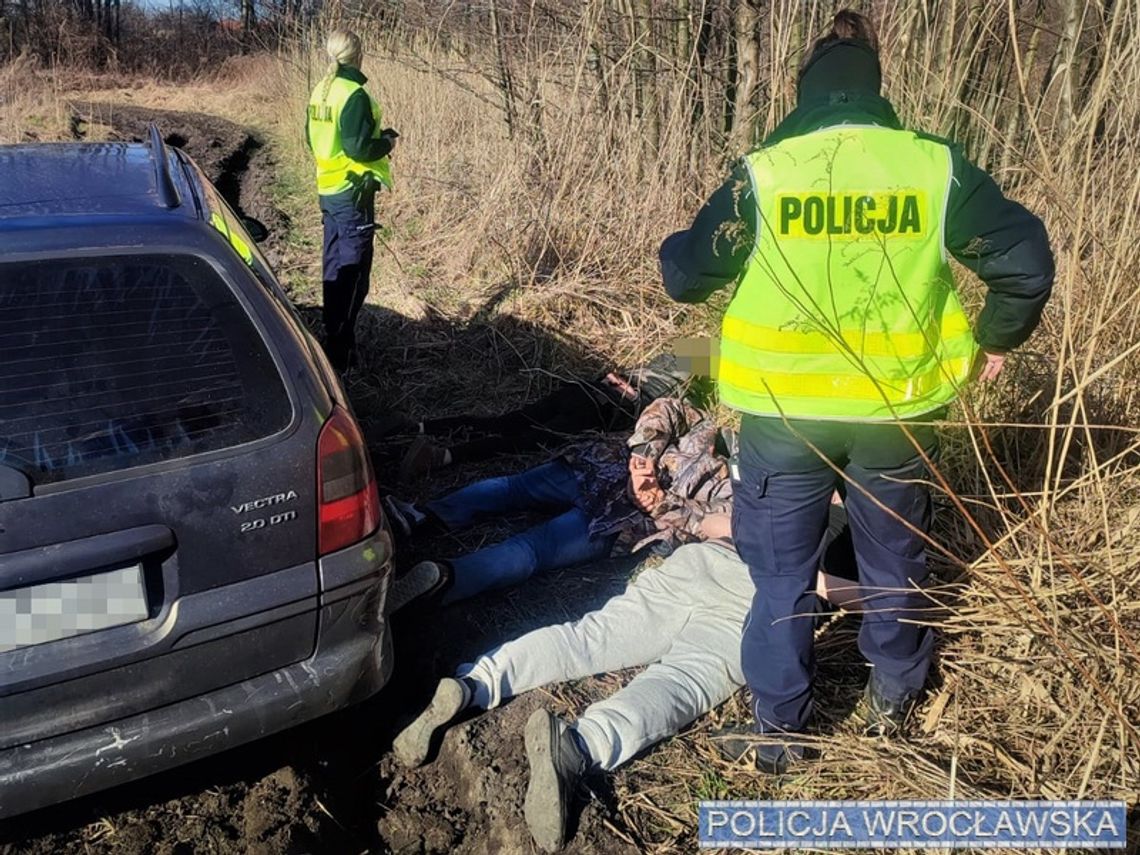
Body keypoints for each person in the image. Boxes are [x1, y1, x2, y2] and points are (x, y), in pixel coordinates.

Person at [659, 9, 1054, 771]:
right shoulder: (931, 167)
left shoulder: (767, 173)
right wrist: (992, 340)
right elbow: (1026, 263)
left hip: (784, 417)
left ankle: (783, 740)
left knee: (779, 578)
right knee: (894, 563)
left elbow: (686, 274)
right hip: (896, 415)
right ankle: (892, 709)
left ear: (806, 85)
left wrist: (676, 245)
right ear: (877, 84)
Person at [392, 509, 859, 852]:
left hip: (701, 564)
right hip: (763, 604)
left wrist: (756, 537)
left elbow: (714, 522)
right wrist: (805, 579)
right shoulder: (868, 522)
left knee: (590, 638)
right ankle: (582, 745)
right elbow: (876, 598)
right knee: (683, 685)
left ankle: (475, 682)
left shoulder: (786, 468)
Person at [383, 396, 732, 610]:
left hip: (621, 521)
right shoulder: (714, 430)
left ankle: (442, 581)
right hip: (600, 468)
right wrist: (644, 455)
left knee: (531, 550)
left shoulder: (755, 496)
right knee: (510, 488)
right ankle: (419, 518)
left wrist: (657, 502)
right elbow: (668, 409)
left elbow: (716, 528)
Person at [391, 354, 689, 480]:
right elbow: (654, 407)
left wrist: (615, 381)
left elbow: (618, 376)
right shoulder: (684, 377)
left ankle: (418, 428)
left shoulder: (668, 359)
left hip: (586, 392)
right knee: (518, 439)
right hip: (595, 409)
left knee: (505, 424)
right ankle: (439, 454)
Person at [306, 28, 399, 371]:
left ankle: (334, 334)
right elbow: (358, 147)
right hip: (352, 193)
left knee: (334, 264)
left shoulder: (321, 90)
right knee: (354, 272)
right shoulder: (354, 93)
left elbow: (311, 138)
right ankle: (340, 350)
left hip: (328, 191)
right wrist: (387, 143)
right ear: (358, 54)